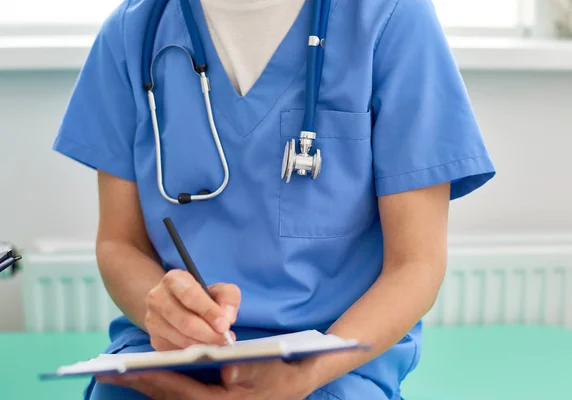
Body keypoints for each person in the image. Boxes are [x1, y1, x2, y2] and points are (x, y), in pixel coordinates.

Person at [52, 0, 496, 399]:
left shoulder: (391, 17)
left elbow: (415, 265)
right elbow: (120, 243)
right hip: (173, 353)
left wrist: (308, 372)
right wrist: (166, 313)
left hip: (335, 356)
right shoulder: (134, 30)